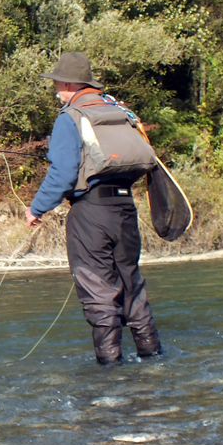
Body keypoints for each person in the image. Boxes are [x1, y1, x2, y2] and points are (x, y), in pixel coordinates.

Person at [24, 52, 162, 365]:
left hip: (90, 212)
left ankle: (110, 371)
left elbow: (62, 173)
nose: (56, 89)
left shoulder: (70, 117)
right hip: (126, 208)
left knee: (98, 288)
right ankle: (152, 357)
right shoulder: (119, 111)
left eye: (58, 83)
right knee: (131, 283)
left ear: (70, 83)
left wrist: (37, 208)